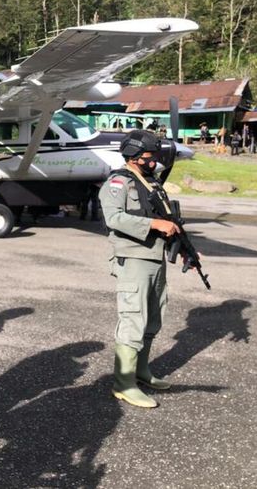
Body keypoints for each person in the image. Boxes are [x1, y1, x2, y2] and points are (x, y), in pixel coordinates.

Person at [99, 129, 182, 409]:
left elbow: (167, 217)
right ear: (134, 157)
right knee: (133, 319)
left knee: (154, 318)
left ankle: (141, 371)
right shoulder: (119, 183)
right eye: (149, 156)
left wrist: (184, 249)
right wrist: (153, 225)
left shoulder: (151, 182)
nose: (154, 161)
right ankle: (123, 383)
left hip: (156, 258)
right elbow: (113, 218)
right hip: (134, 260)